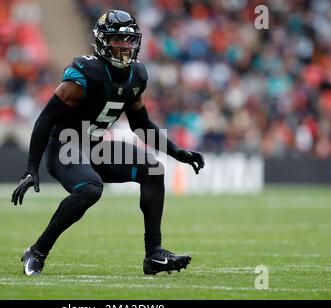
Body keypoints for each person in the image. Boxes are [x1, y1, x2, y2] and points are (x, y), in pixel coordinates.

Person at [11, 10, 204, 276]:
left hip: (96, 146)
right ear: (103, 41)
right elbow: (46, 119)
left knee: (153, 170)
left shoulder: (137, 75)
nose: (124, 46)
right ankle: (38, 250)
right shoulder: (84, 72)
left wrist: (176, 151)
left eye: (128, 40)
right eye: (117, 39)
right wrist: (31, 167)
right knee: (91, 189)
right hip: (65, 145)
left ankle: (154, 254)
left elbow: (141, 124)